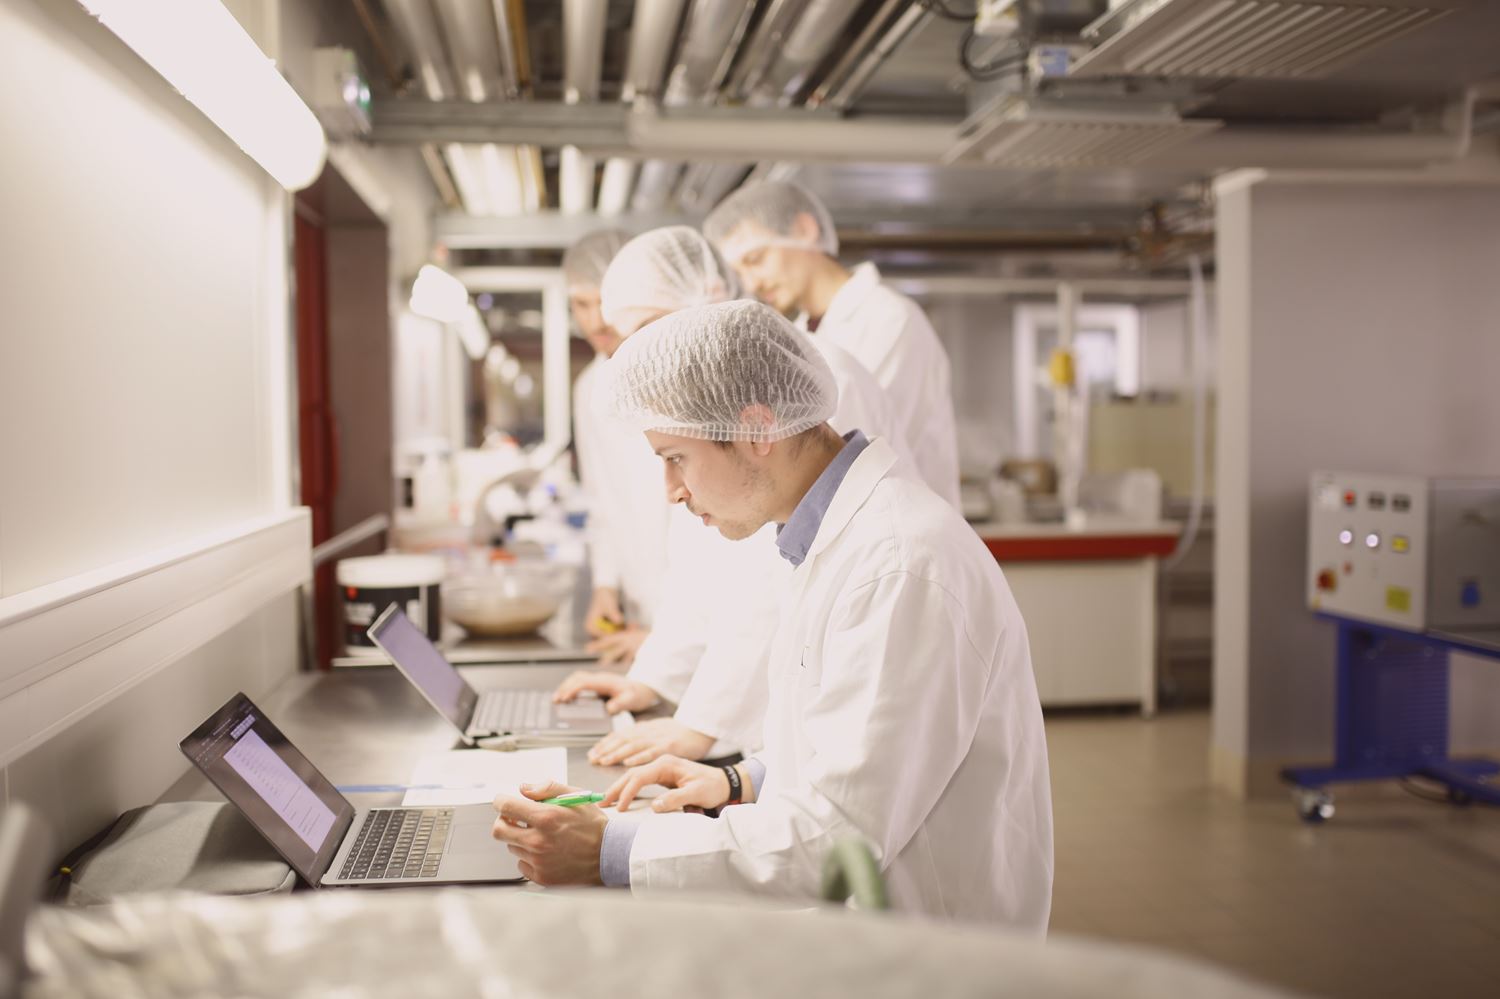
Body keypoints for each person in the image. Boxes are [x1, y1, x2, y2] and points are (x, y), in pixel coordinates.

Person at [493, 300, 1053, 928]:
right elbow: (849, 741)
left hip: (927, 956)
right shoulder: (829, 538)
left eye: (676, 457)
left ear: (758, 429)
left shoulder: (898, 566)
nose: (672, 491)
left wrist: (608, 849)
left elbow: (838, 841)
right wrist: (742, 780)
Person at [553, 226, 909, 768]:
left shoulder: (796, 378)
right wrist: (655, 678)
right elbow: (700, 574)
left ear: (708, 297)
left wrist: (701, 726)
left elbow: (771, 580)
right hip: (778, 737)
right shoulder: (708, 412)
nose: (643, 355)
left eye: (650, 328)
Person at [703, 180, 961, 507]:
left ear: (805, 229)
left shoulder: (888, 320)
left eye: (755, 259)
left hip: (900, 526)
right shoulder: (799, 334)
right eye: (740, 272)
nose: (752, 283)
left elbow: (846, 448)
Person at [564, 229, 662, 666]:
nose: (595, 321)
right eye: (580, 305)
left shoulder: (677, 374)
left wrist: (675, 631)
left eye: (603, 302)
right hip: (639, 612)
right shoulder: (589, 387)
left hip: (698, 613)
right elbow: (600, 496)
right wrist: (606, 584)